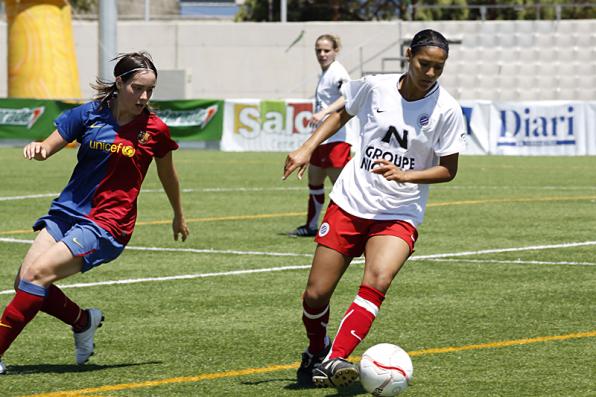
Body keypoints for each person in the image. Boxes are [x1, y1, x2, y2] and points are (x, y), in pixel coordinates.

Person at [283, 29, 466, 388]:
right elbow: (342, 114)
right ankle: (316, 350)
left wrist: (406, 174)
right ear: (409, 54)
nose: (430, 73)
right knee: (315, 294)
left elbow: (449, 169)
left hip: (400, 212)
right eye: (424, 64)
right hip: (351, 202)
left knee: (377, 279)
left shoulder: (447, 109)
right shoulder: (375, 86)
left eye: (438, 68)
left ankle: (335, 358)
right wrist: (307, 147)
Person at [0, 51, 190, 374]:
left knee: (35, 276)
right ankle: (84, 320)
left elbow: (167, 174)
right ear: (119, 82)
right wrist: (39, 149)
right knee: (24, 281)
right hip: (65, 213)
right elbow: (49, 145)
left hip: (107, 225)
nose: (144, 97)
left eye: (150, 90)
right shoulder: (89, 115)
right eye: (138, 88)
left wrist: (178, 214)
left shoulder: (154, 129)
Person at [289, 34, 352, 237]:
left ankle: (347, 226)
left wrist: (324, 112)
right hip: (322, 139)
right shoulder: (325, 73)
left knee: (342, 188)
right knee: (314, 180)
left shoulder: (338, 72)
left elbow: (348, 96)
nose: (322, 54)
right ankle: (311, 225)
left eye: (326, 50)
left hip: (337, 138)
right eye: (318, 50)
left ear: (336, 51)